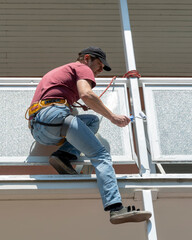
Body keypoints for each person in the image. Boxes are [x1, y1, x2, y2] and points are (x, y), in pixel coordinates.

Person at [28, 46, 151, 224]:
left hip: (39, 129)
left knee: (92, 121)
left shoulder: (61, 71)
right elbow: (86, 93)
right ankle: (116, 209)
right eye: (99, 65)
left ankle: (63, 155)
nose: (100, 71)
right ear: (87, 58)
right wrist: (113, 116)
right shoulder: (82, 67)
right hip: (53, 116)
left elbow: (64, 95)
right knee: (101, 156)